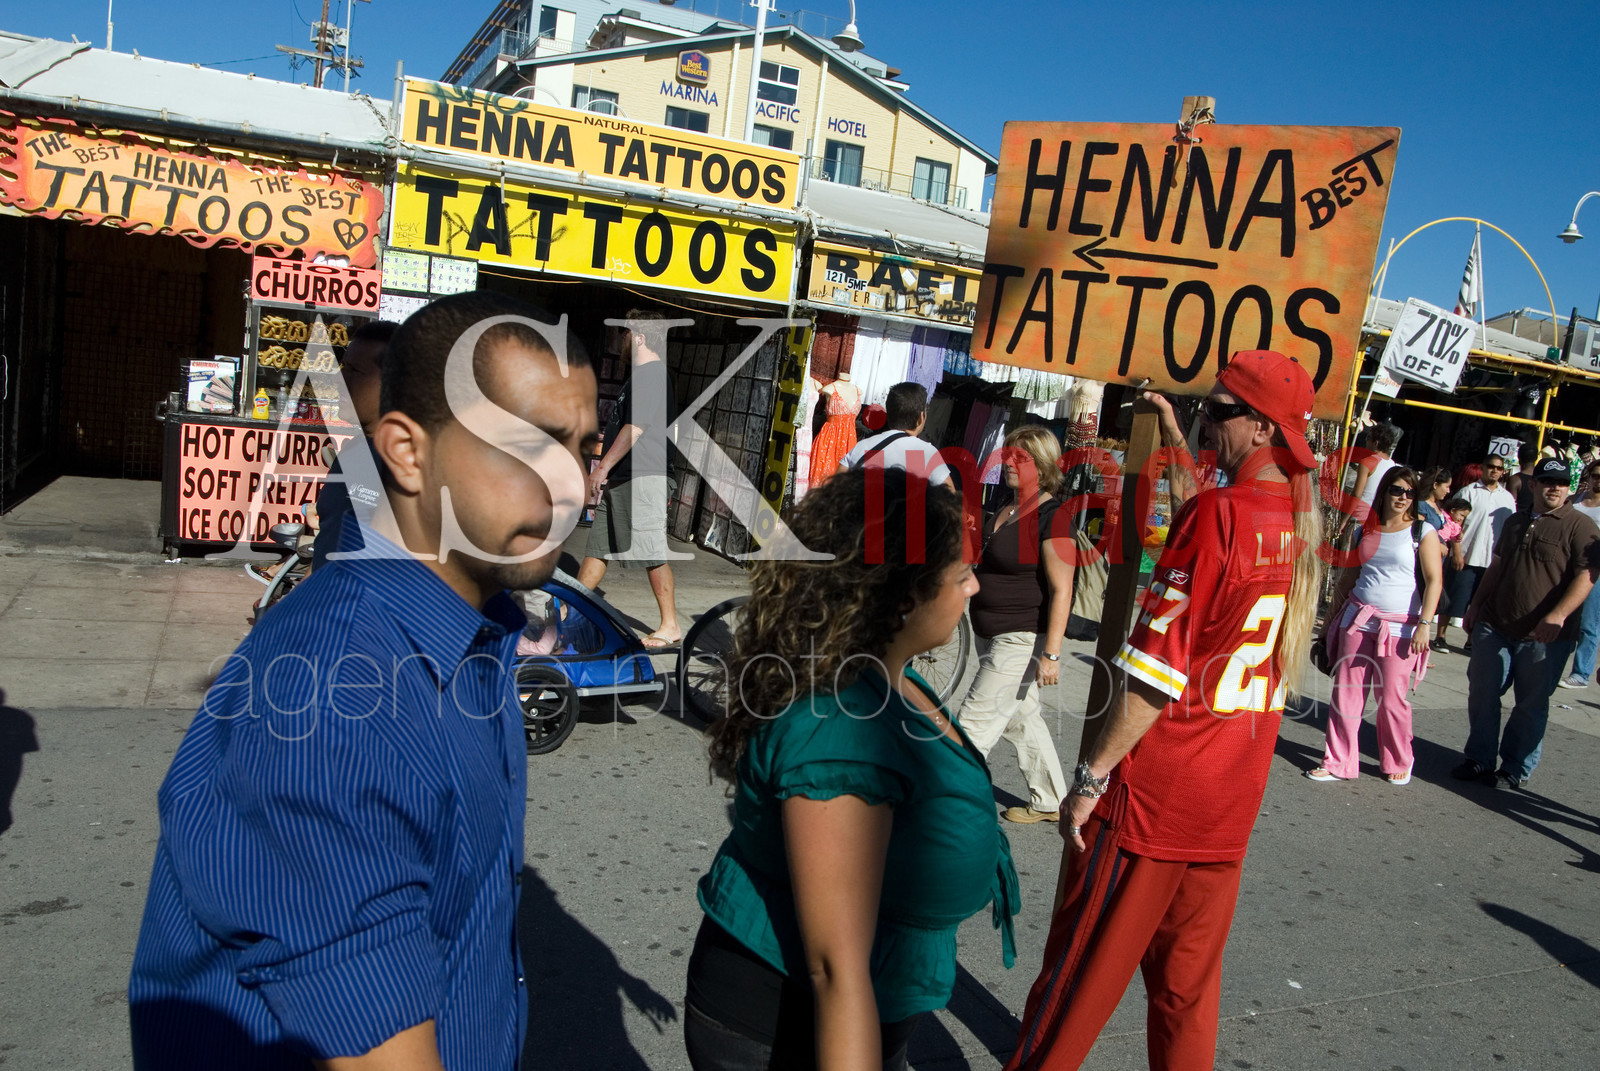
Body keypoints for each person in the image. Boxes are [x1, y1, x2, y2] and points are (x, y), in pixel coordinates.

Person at [129, 291, 600, 1069]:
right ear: (407, 452)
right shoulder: (332, 703)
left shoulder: (476, 632)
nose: (572, 486)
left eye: (582, 449)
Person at [1004, 350, 1324, 1071]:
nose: (1210, 420)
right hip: (1228, 800)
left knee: (1073, 985)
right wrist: (1177, 433)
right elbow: (1204, 513)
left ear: (1263, 427)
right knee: (1186, 997)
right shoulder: (1298, 522)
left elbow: (1155, 677)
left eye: (1220, 410)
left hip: (1157, 796)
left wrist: (1090, 777)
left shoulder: (1221, 514)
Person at [686, 467, 1019, 1070]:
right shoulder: (841, 729)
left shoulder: (889, 678)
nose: (974, 588)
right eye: (961, 575)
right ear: (902, 596)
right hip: (785, 1030)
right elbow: (836, 968)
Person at [1454, 457, 1600, 789]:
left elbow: (1588, 576)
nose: (1555, 488)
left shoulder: (1580, 526)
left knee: (1530, 704)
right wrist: (1476, 605)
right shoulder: (1515, 521)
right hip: (1496, 623)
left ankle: (1514, 768)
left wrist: (1558, 615)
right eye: (1548, 481)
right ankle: (1479, 759)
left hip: (1546, 637)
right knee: (1482, 692)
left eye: (1561, 483)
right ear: (1533, 484)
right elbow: (1497, 566)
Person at [957, 425, 1073, 824]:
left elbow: (1062, 589)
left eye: (1019, 458)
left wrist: (1052, 654)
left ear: (1041, 465)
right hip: (989, 633)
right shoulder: (1006, 508)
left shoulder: (1053, 517)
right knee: (1021, 718)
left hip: (1020, 638)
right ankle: (1052, 801)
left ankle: (942, 809)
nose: (1007, 462)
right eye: (1007, 454)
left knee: (971, 726)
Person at [1307, 466, 1442, 785]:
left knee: (1391, 700)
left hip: (1400, 629)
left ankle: (1399, 759)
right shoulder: (1363, 532)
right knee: (1346, 694)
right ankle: (1338, 761)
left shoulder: (1422, 532)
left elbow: (1435, 581)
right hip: (1357, 622)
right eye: (1397, 490)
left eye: (1410, 492)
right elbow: (1347, 580)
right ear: (1384, 491)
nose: (1403, 497)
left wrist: (1425, 624)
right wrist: (1328, 624)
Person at [578, 309, 682, 648]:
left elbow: (634, 428)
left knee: (651, 551)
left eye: (625, 333)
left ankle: (670, 625)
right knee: (598, 549)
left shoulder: (652, 374)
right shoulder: (638, 377)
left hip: (644, 477)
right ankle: (572, 609)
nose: (622, 339)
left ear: (639, 337)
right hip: (625, 478)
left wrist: (602, 467)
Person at [310, 319, 399, 569]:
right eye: (343, 367)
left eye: (355, 371)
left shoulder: (413, 464)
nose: (339, 380)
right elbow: (328, 545)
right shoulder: (354, 451)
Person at [1446, 451, 1517, 650]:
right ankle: (1440, 635)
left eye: (1499, 468)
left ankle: (1471, 640)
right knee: (1453, 597)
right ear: (1483, 468)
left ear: (1503, 472)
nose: (1494, 471)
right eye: (1491, 466)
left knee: (1481, 603)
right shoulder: (1468, 492)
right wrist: (1456, 552)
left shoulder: (1507, 499)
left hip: (1491, 560)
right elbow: (1454, 524)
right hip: (1467, 555)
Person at [839, 381, 955, 489]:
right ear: (921, 418)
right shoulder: (927, 453)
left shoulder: (861, 447)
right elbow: (950, 498)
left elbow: (834, 489)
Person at [1559, 459, 1600, 688]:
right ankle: (1553, 663)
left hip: (1595, 571)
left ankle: (1582, 673)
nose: (1598, 480)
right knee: (1564, 615)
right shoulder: (1575, 500)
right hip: (1567, 566)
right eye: (1595, 475)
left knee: (1589, 623)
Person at [807, 371, 860, 489]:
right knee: (824, 478)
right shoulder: (829, 389)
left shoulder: (858, 390)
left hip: (850, 441)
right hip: (830, 439)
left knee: (844, 484)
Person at [1433, 495, 1471, 650]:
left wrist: (1458, 537)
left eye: (1464, 517)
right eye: (1461, 515)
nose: (1461, 519)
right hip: (1435, 544)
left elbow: (1456, 537)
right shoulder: (1443, 517)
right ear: (1453, 510)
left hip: (1442, 550)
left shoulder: (1455, 525)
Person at [1417, 466, 1453, 531]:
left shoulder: (1436, 504)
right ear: (1435, 485)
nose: (1448, 491)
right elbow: (1418, 530)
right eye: (1447, 487)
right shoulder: (1422, 506)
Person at [1506, 440, 1538, 511]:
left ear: (1518, 457)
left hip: (1519, 516)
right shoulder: (1542, 480)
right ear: (1536, 458)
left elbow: (1509, 505)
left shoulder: (1515, 480)